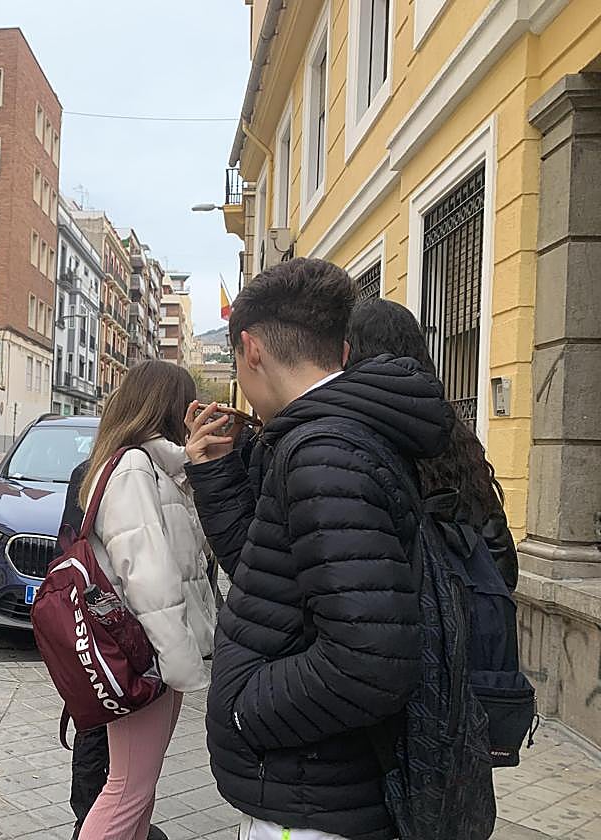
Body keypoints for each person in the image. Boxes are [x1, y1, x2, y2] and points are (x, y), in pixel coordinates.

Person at [184, 258, 455, 840]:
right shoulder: (329, 437)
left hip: (316, 799)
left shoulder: (322, 451)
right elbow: (277, 584)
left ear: (251, 350)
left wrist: (242, 706)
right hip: (325, 786)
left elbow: (369, 663)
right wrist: (215, 473)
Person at [75, 360, 219, 840]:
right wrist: (178, 663)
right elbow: (149, 575)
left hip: (154, 652)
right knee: (126, 789)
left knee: (141, 786)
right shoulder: (134, 467)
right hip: (146, 654)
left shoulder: (156, 469)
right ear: (171, 407)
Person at [346, 297, 518, 590]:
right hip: (466, 619)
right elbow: (502, 562)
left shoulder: (353, 440)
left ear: (350, 354)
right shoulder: (456, 436)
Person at [61, 460, 168, 840]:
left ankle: (87, 819)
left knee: (112, 763)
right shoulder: (133, 470)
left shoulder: (91, 469)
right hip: (126, 639)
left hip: (96, 635)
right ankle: (90, 823)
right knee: (124, 787)